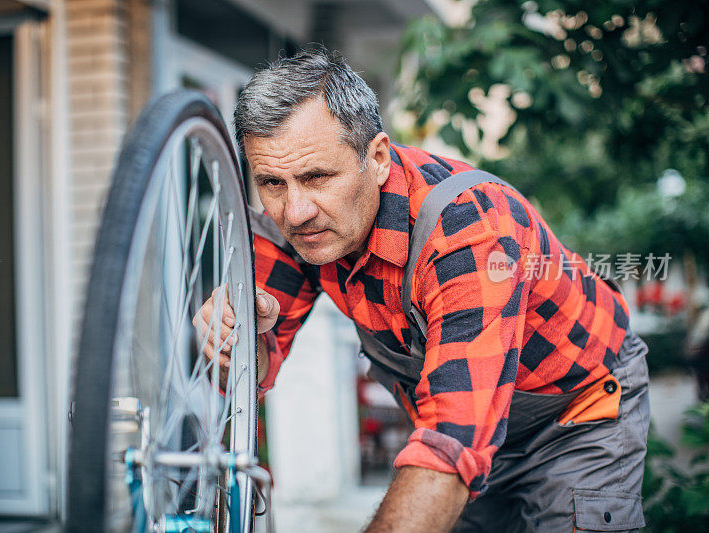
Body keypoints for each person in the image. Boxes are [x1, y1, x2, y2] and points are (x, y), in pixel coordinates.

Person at [193, 48, 650, 532]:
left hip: (576, 417)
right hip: (470, 416)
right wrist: (234, 344)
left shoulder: (469, 230)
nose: (295, 210)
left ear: (378, 158)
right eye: (271, 182)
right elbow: (250, 376)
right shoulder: (300, 226)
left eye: (318, 177)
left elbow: (455, 436)